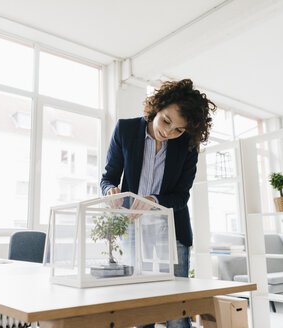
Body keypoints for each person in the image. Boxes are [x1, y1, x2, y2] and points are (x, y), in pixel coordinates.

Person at [100, 79, 216, 328]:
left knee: (176, 307)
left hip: (172, 230)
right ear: (157, 107)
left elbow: (181, 196)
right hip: (133, 229)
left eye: (179, 130)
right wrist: (110, 191)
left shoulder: (188, 146)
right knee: (142, 305)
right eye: (166, 121)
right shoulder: (125, 130)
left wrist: (153, 201)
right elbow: (108, 178)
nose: (169, 131)